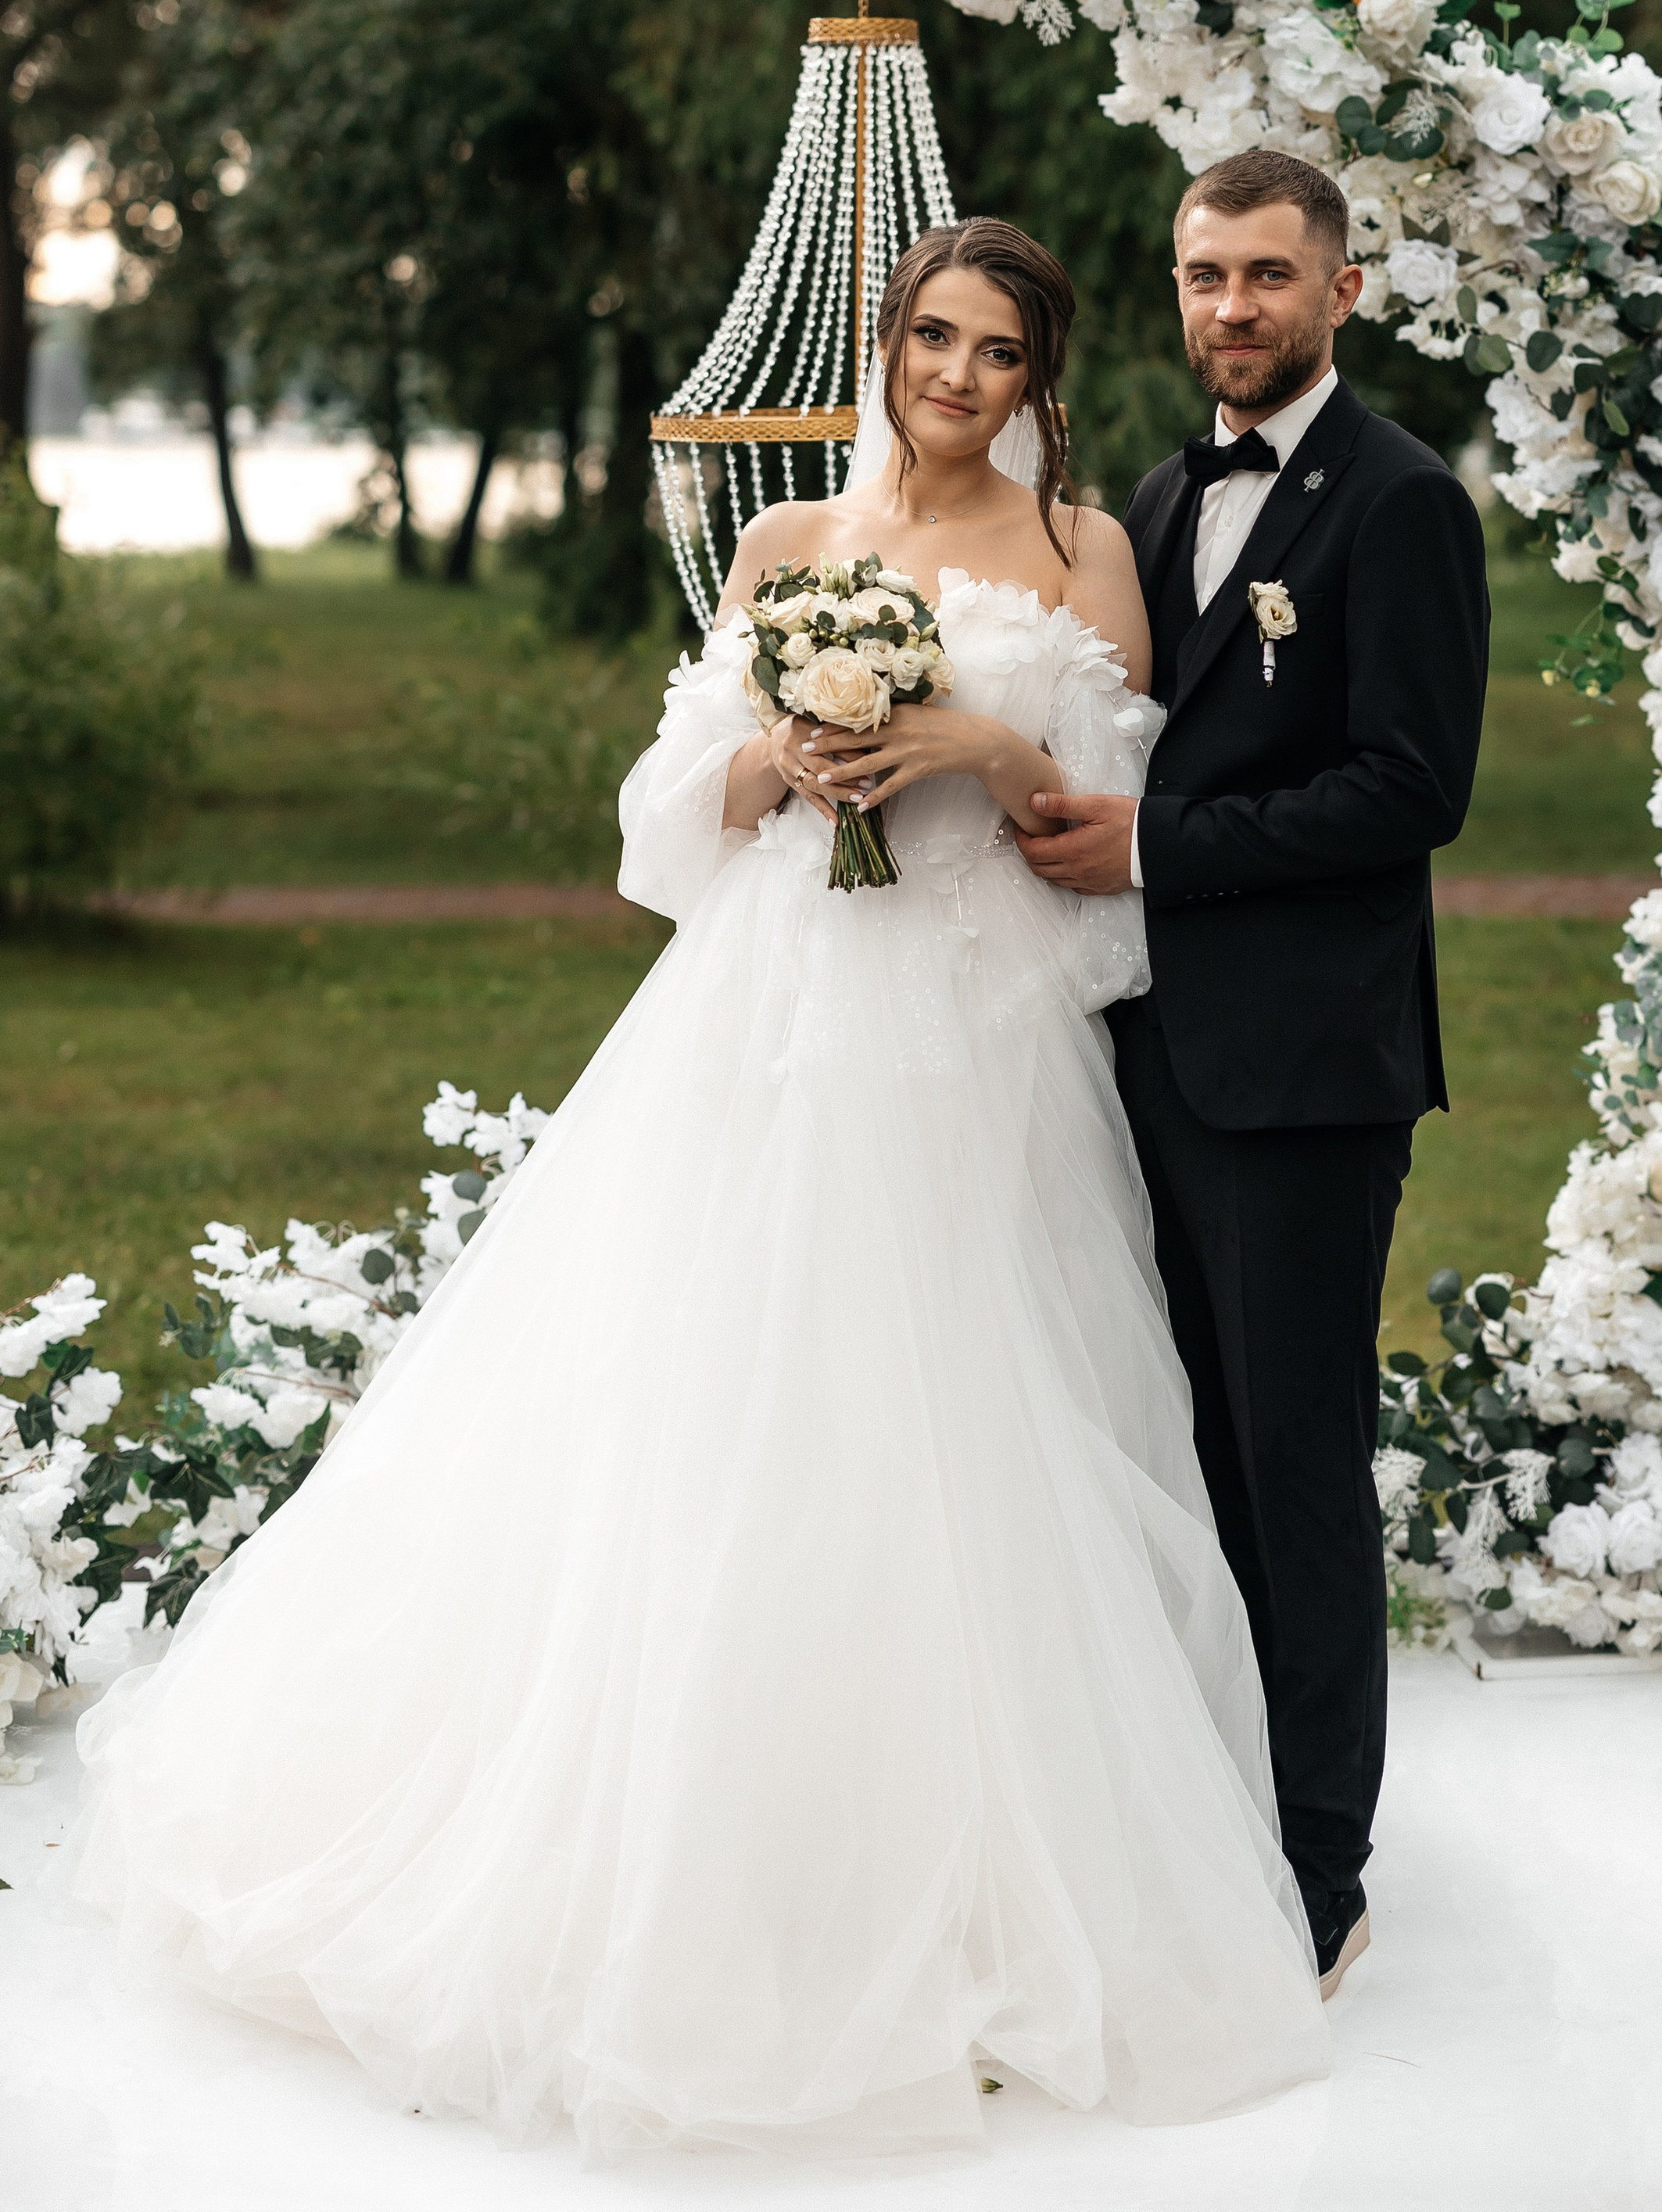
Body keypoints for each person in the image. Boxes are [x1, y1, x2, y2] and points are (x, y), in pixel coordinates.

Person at [66, 217, 1331, 2164]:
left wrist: (973, 739)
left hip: (979, 1043)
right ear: (884, 340)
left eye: (998, 351)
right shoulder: (779, 553)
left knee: (965, 1430)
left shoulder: (1088, 556)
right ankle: (682, 1850)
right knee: (715, 1408)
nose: (956, 376)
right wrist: (782, 760)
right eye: (930, 335)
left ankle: (970, 1864)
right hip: (771, 1016)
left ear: (1038, 382)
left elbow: (1096, 821)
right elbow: (662, 829)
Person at [1017, 151, 1489, 1997]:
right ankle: (1213, 1797)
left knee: (1296, 1464)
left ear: (1340, 291)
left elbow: (1409, 791)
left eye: (1267, 277)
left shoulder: (1401, 505)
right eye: (1203, 275)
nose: (1231, 308)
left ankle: (1319, 1868)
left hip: (1304, 1074)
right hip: (1153, 1055)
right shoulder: (1153, 492)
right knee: (1188, 1448)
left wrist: (1152, 849)